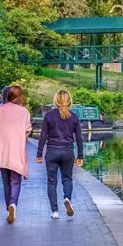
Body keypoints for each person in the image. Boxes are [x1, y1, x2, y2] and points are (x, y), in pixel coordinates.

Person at [36, 90, 84, 219]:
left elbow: (43, 136)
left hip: (52, 152)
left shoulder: (49, 116)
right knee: (67, 179)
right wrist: (80, 156)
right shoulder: (74, 117)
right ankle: (67, 198)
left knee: (52, 182)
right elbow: (79, 138)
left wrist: (39, 153)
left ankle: (55, 211)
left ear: (56, 100)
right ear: (69, 101)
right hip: (67, 152)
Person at [0, 85, 32, 224]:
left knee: (6, 182)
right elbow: (27, 131)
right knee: (15, 181)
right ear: (19, 96)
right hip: (16, 151)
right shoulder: (24, 112)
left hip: (2, 150)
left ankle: (9, 208)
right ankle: (13, 204)